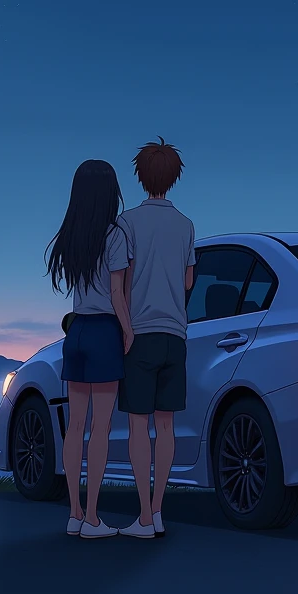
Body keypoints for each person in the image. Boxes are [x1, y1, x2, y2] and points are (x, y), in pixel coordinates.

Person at [45, 159, 133, 539]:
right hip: (102, 333)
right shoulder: (115, 235)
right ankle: (93, 517)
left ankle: (74, 513)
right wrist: (128, 332)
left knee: (74, 426)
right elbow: (117, 294)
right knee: (99, 429)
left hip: (76, 330)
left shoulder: (72, 235)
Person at [116, 137, 196, 539]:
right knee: (166, 427)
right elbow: (188, 280)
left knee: (137, 427)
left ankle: (143, 515)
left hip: (139, 334)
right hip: (175, 335)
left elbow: (124, 278)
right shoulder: (186, 225)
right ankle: (158, 511)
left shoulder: (128, 222)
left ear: (141, 176)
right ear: (172, 178)